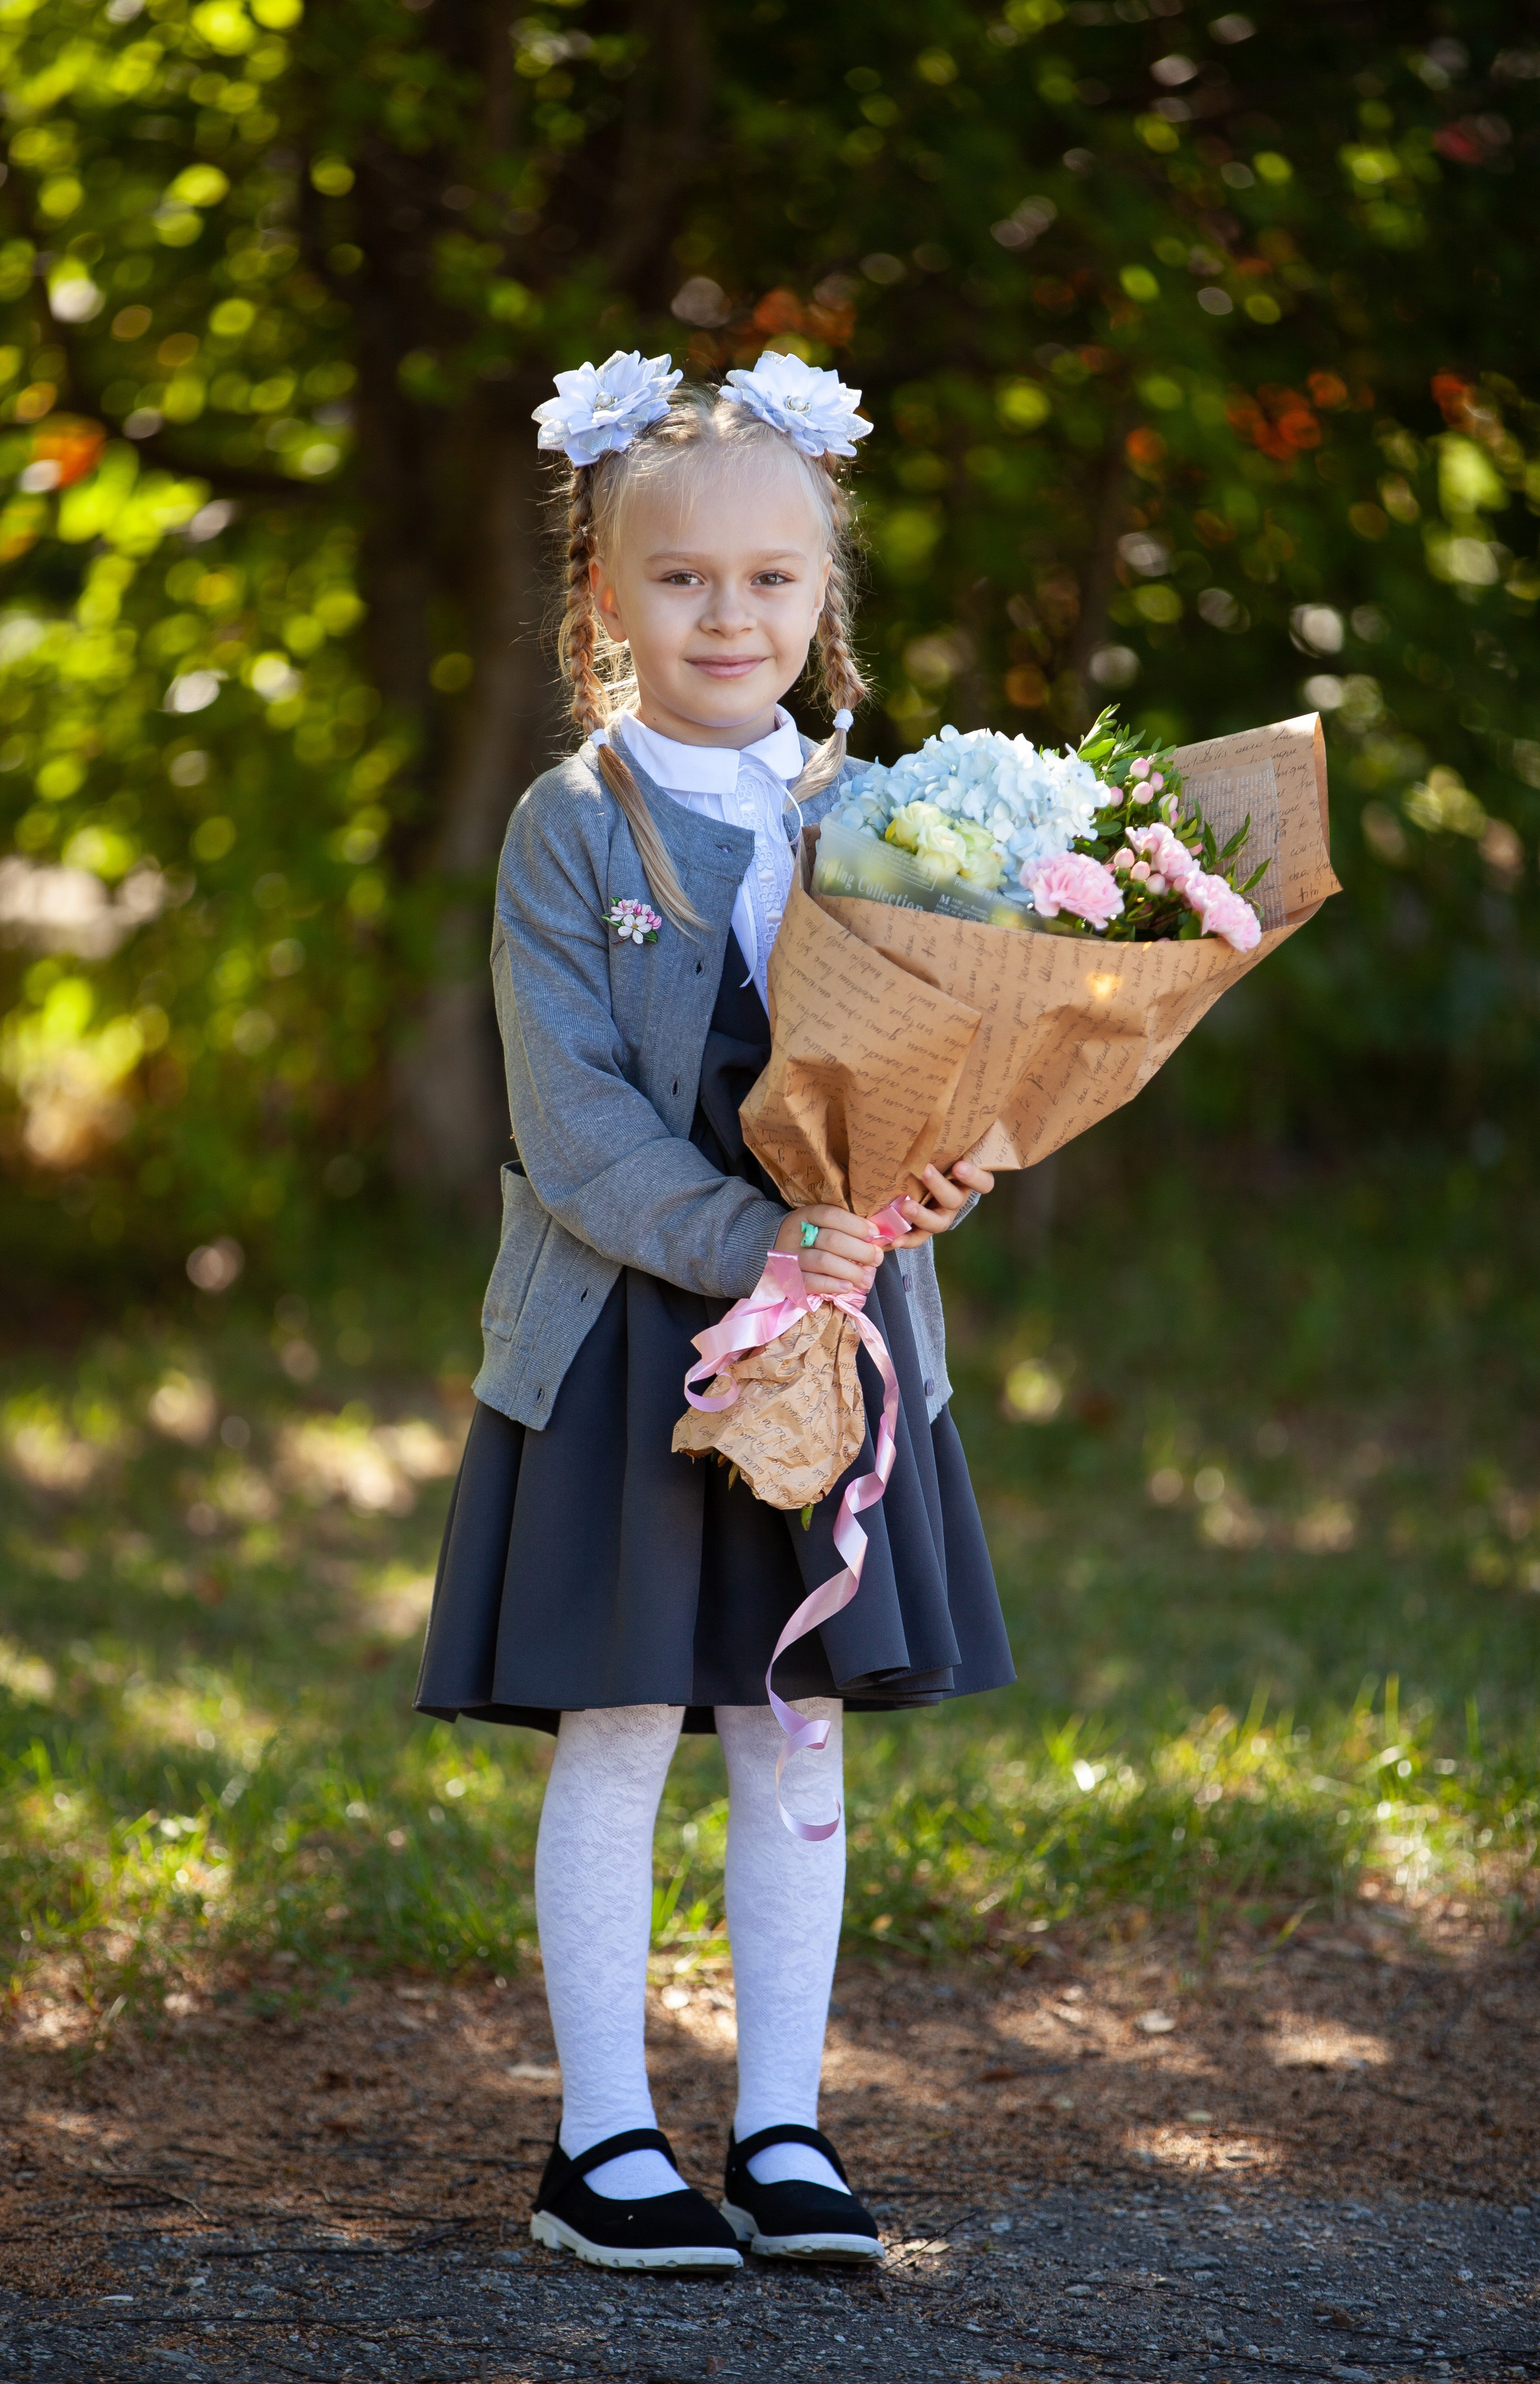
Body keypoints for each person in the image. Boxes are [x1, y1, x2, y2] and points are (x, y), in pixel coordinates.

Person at [415, 347, 1014, 2272]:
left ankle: (782, 2128)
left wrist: (950, 1170)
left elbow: (952, 1061)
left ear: (824, 594)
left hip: (837, 1349)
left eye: (771, 577)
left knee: (794, 1733)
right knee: (614, 1726)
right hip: (624, 1348)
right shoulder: (571, 829)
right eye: (681, 580)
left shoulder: (893, 814)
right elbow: (573, 1125)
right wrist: (750, 1245)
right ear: (603, 596)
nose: (729, 613)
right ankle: (601, 2144)